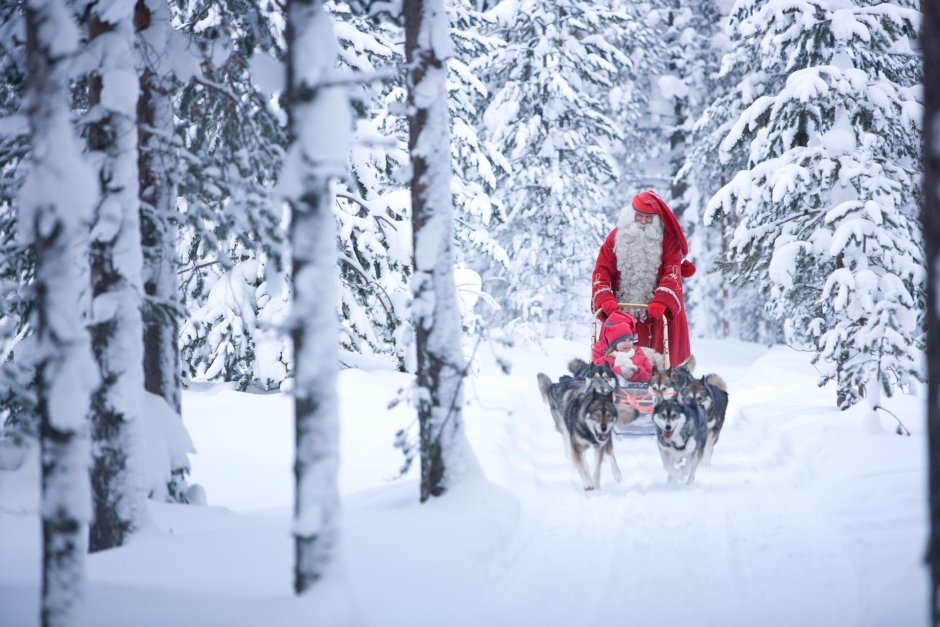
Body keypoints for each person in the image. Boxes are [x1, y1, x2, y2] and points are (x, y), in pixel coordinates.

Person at [591, 190, 695, 367]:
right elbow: (601, 270)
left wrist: (662, 301)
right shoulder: (616, 237)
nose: (644, 222)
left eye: (649, 218)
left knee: (659, 363)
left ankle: (663, 385)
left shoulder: (668, 242)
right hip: (620, 312)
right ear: (631, 216)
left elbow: (672, 272)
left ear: (657, 220)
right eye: (640, 216)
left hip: (656, 314)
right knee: (613, 361)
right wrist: (605, 298)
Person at [592, 310, 652, 383]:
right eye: (623, 340)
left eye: (630, 340)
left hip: (639, 389)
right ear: (614, 344)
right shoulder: (607, 359)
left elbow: (650, 374)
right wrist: (619, 371)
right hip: (615, 389)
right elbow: (597, 374)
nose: (627, 343)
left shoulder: (638, 353)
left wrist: (637, 371)